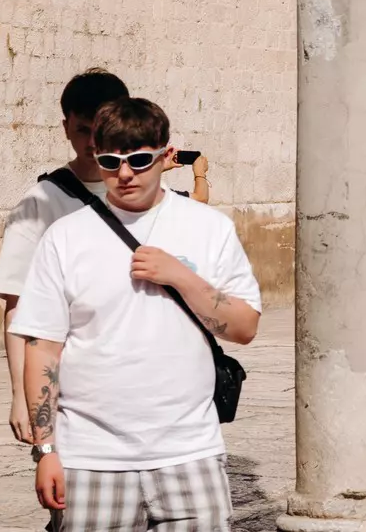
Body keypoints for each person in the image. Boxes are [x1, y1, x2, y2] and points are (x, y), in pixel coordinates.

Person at [14, 98, 261, 532]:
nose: (125, 174)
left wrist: (182, 277)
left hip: (189, 452)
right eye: (110, 162)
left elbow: (244, 328)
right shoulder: (65, 238)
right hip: (90, 459)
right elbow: (43, 347)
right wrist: (46, 450)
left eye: (139, 160)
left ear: (166, 156)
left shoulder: (208, 227)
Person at [0, 67, 130, 443]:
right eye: (82, 129)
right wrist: (22, 396)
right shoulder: (41, 203)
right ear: (66, 126)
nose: (92, 142)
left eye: (101, 130)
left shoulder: (146, 195)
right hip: (71, 390)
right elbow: (19, 306)